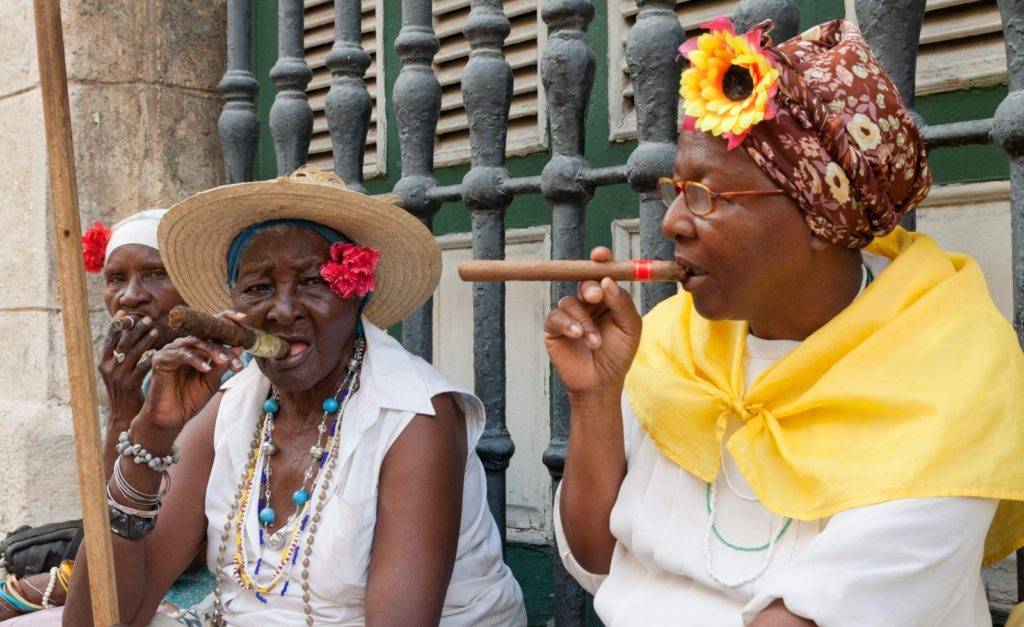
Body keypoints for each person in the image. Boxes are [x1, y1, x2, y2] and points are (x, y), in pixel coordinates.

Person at [545, 18, 1024, 626]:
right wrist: (594, 399)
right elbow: (599, 558)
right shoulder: (670, 343)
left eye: (707, 195)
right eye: (678, 187)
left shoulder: (947, 371)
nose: (670, 223)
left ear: (822, 213)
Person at [62, 166, 527, 626]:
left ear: (355, 296)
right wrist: (152, 434)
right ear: (234, 308)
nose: (282, 312)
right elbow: (97, 619)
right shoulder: (233, 404)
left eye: (313, 283)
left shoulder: (414, 415)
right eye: (259, 288)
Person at [0, 210, 218, 623]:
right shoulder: (144, 374)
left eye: (155, 274)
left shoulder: (218, 380)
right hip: (122, 565)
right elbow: (108, 520)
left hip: (190, 589)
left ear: (195, 288)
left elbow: (170, 549)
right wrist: (122, 408)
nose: (130, 296)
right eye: (116, 278)